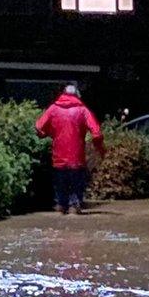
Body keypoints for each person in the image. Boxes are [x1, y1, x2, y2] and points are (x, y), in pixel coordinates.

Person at [35, 85, 106, 214]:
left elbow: (39, 128)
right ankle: (74, 206)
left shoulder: (53, 109)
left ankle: (61, 207)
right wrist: (100, 150)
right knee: (75, 197)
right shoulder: (83, 111)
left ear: (63, 94)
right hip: (77, 158)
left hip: (58, 158)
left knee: (60, 200)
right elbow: (96, 133)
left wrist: (50, 134)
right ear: (77, 95)